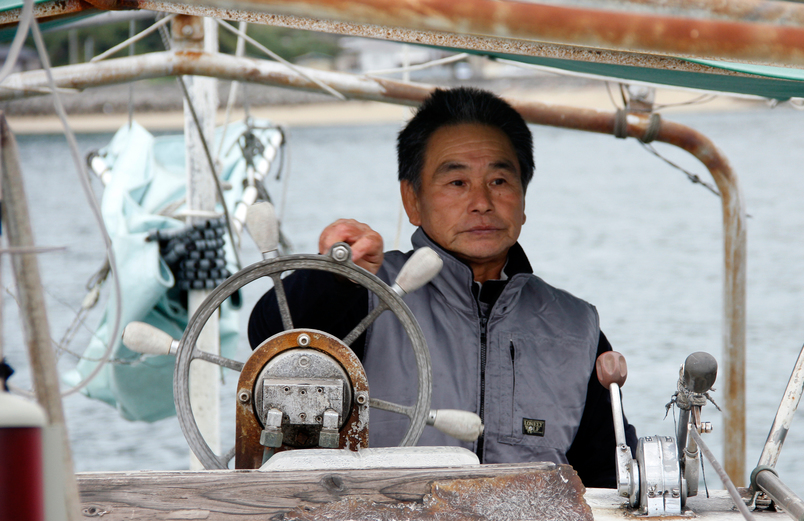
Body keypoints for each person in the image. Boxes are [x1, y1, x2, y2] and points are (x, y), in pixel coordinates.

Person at [248, 87, 636, 487]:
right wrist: (336, 274)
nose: (482, 202)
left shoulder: (577, 327)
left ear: (522, 200)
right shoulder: (365, 293)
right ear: (411, 199)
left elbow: (610, 478)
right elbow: (271, 338)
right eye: (456, 182)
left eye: (500, 180)